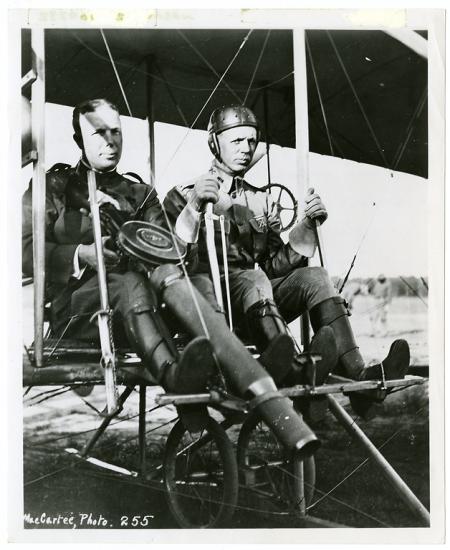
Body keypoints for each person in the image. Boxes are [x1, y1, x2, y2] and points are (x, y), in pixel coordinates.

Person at [22, 98, 321, 456]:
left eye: (115, 131)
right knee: (131, 284)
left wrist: (194, 209)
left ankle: (231, 377)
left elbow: (175, 251)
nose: (109, 140)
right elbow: (22, 251)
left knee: (198, 281)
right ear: (78, 138)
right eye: (98, 132)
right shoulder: (51, 187)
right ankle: (178, 379)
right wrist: (81, 254)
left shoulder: (140, 193)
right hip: (79, 314)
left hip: (136, 315)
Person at [163, 105, 410, 403]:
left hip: (254, 305)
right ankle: (292, 369)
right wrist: (193, 207)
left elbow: (274, 265)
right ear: (215, 142)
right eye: (236, 140)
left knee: (316, 276)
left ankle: (358, 375)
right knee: (253, 277)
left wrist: (306, 226)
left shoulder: (259, 200)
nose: (246, 149)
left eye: (251, 141)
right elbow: (170, 258)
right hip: (210, 311)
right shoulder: (184, 192)